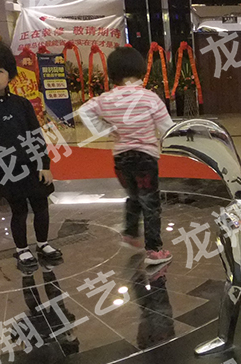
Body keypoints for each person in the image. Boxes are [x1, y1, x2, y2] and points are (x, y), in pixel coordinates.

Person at [0, 41, 62, 270]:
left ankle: (43, 244)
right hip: (5, 169)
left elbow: (36, 135)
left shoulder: (22, 104)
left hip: (32, 166)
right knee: (18, 210)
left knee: (41, 206)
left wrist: (44, 164)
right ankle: (22, 249)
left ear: (9, 74)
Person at [78, 46, 174, 266]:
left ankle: (130, 233)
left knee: (134, 196)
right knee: (150, 203)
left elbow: (84, 111)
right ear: (140, 70)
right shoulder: (149, 98)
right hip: (145, 158)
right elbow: (167, 127)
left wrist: (104, 130)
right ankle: (154, 251)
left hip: (121, 159)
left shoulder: (106, 99)